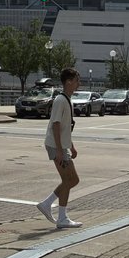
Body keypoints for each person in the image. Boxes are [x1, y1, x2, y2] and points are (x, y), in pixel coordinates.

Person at [36, 67, 83, 229]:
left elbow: (65, 128)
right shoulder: (60, 100)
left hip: (61, 147)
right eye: (77, 80)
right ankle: (59, 215)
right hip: (56, 147)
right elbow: (56, 125)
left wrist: (71, 147)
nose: (78, 84)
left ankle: (50, 206)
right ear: (68, 82)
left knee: (72, 180)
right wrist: (60, 151)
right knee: (70, 180)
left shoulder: (66, 99)